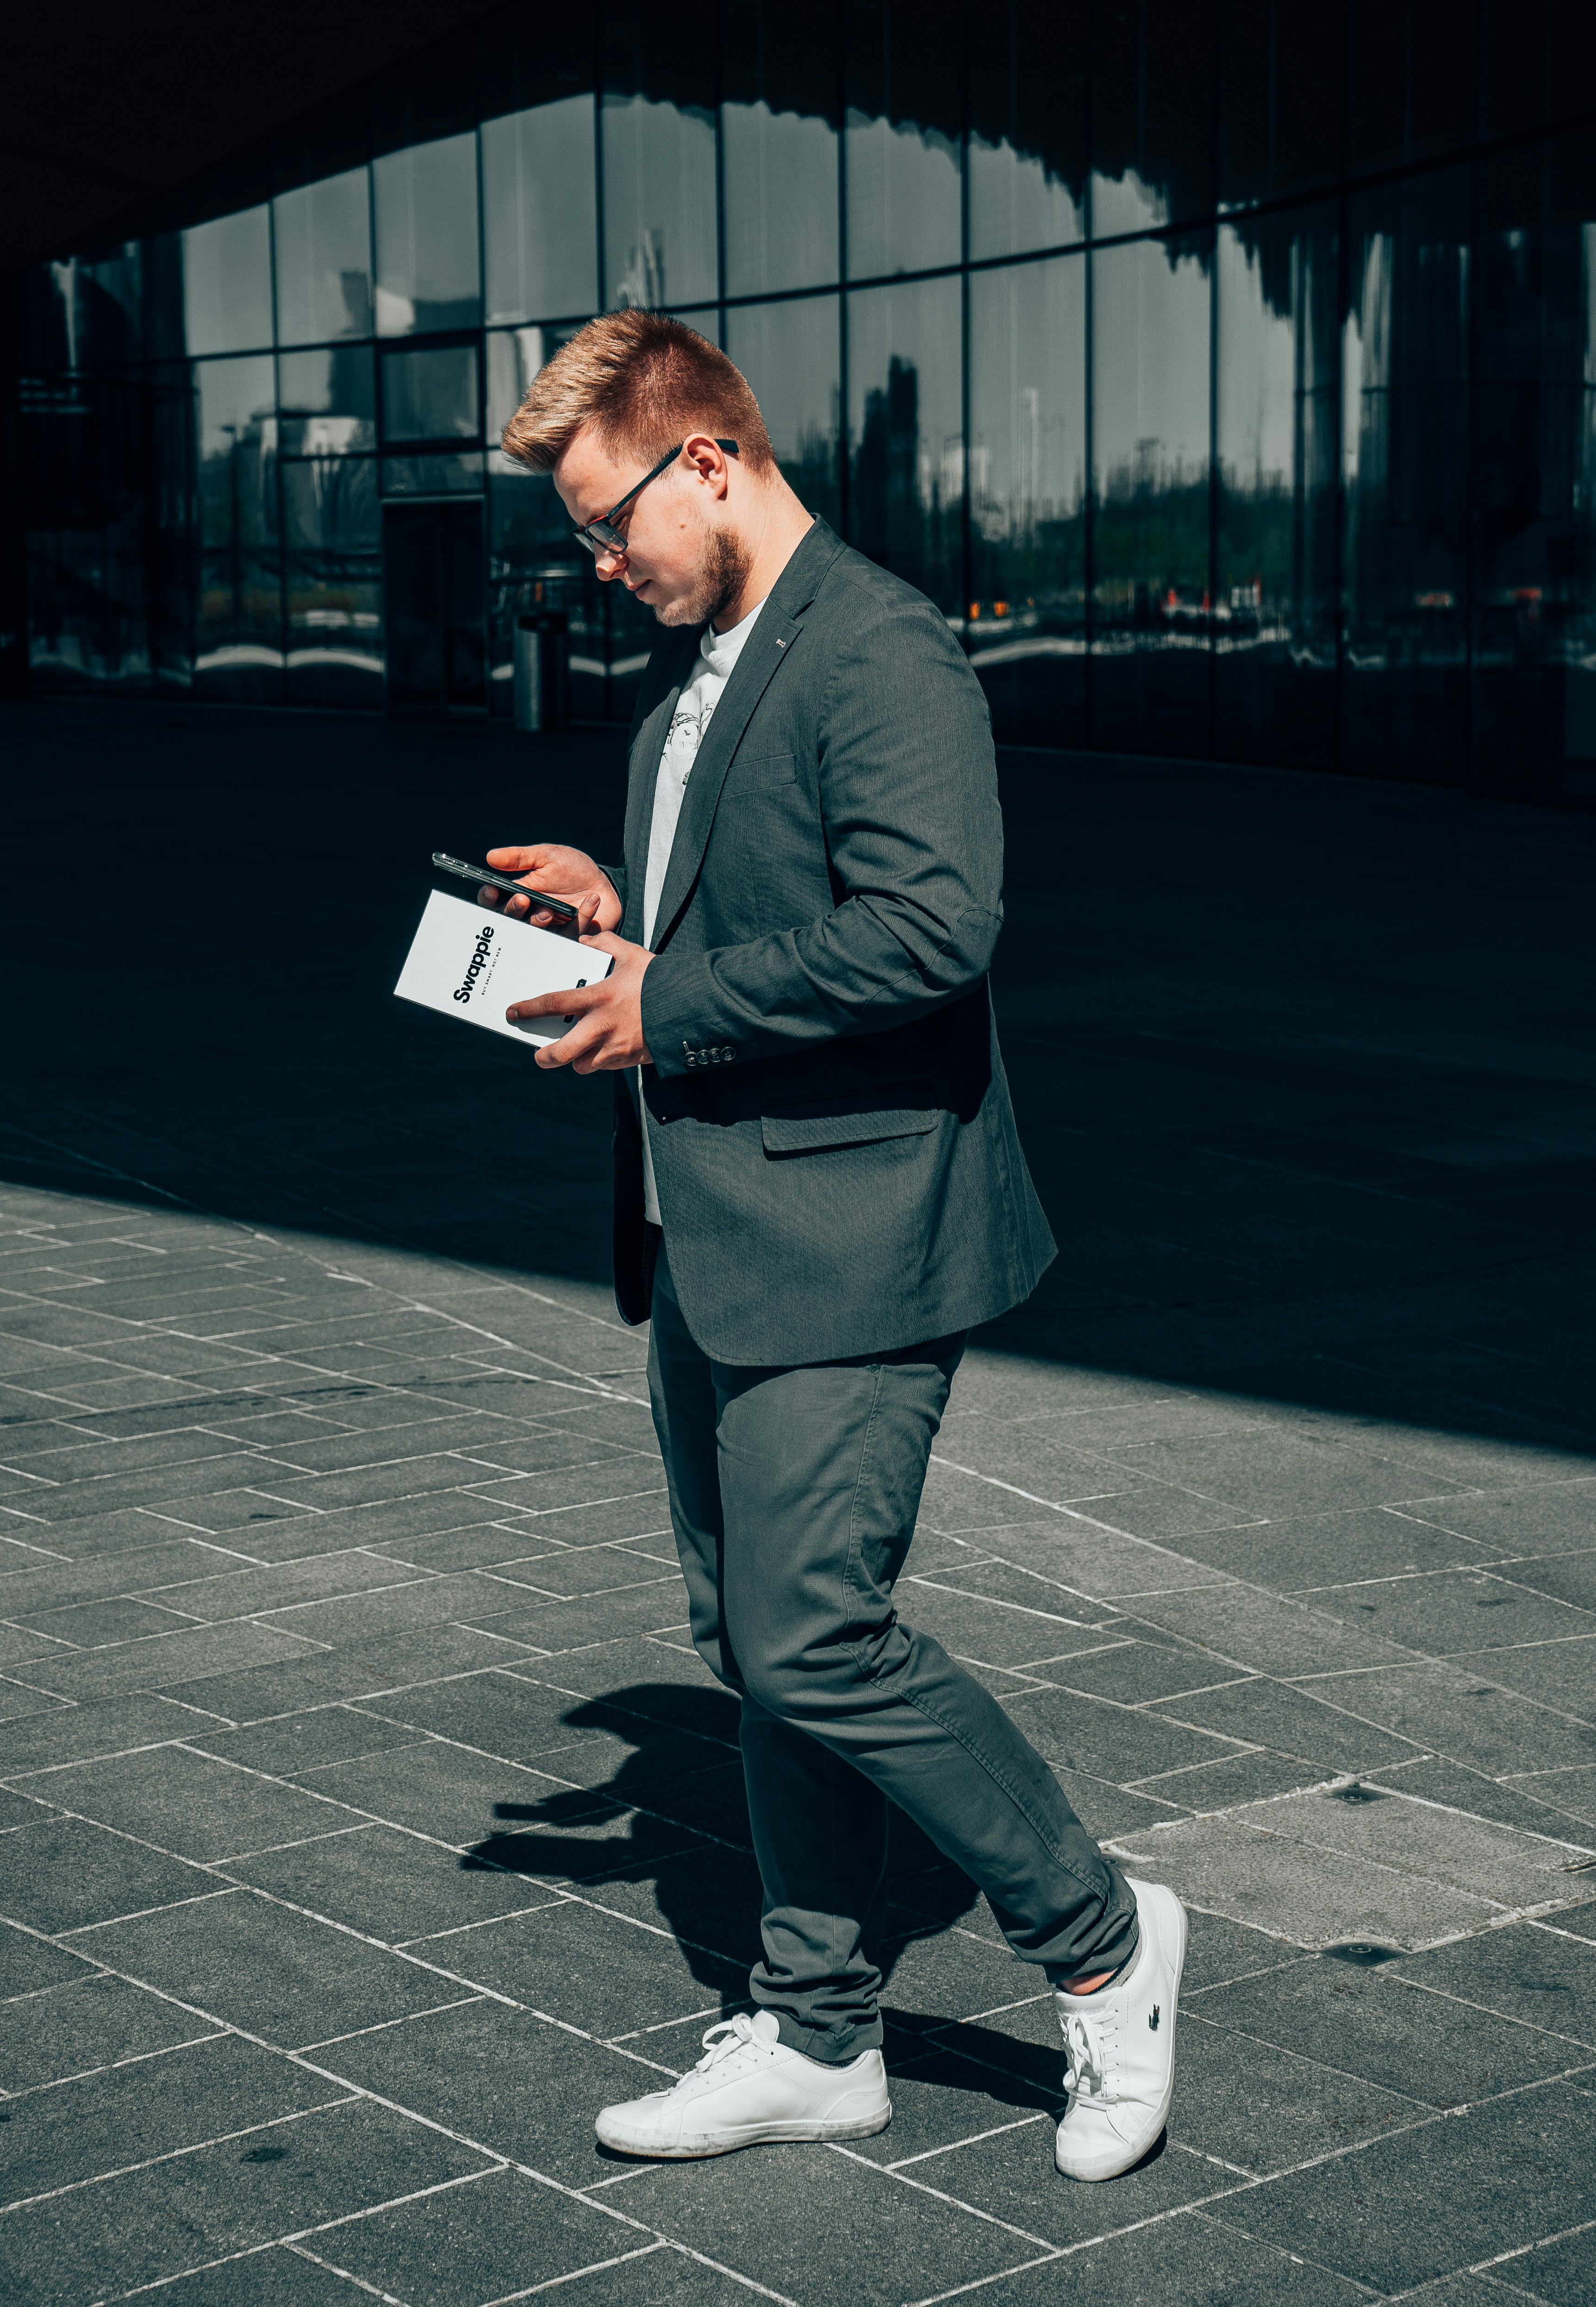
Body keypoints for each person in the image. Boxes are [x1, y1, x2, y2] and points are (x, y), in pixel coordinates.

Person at [486, 310, 1184, 2183]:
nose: (598, 562)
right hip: (709, 1227)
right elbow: (761, 905)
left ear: (706, 457)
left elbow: (933, 930)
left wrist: (675, 993)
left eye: (607, 519)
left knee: (814, 1631)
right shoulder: (693, 672)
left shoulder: (878, 647)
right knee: (751, 1636)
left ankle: (1103, 1938)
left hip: (859, 1228)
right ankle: (813, 2028)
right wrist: (618, 917)